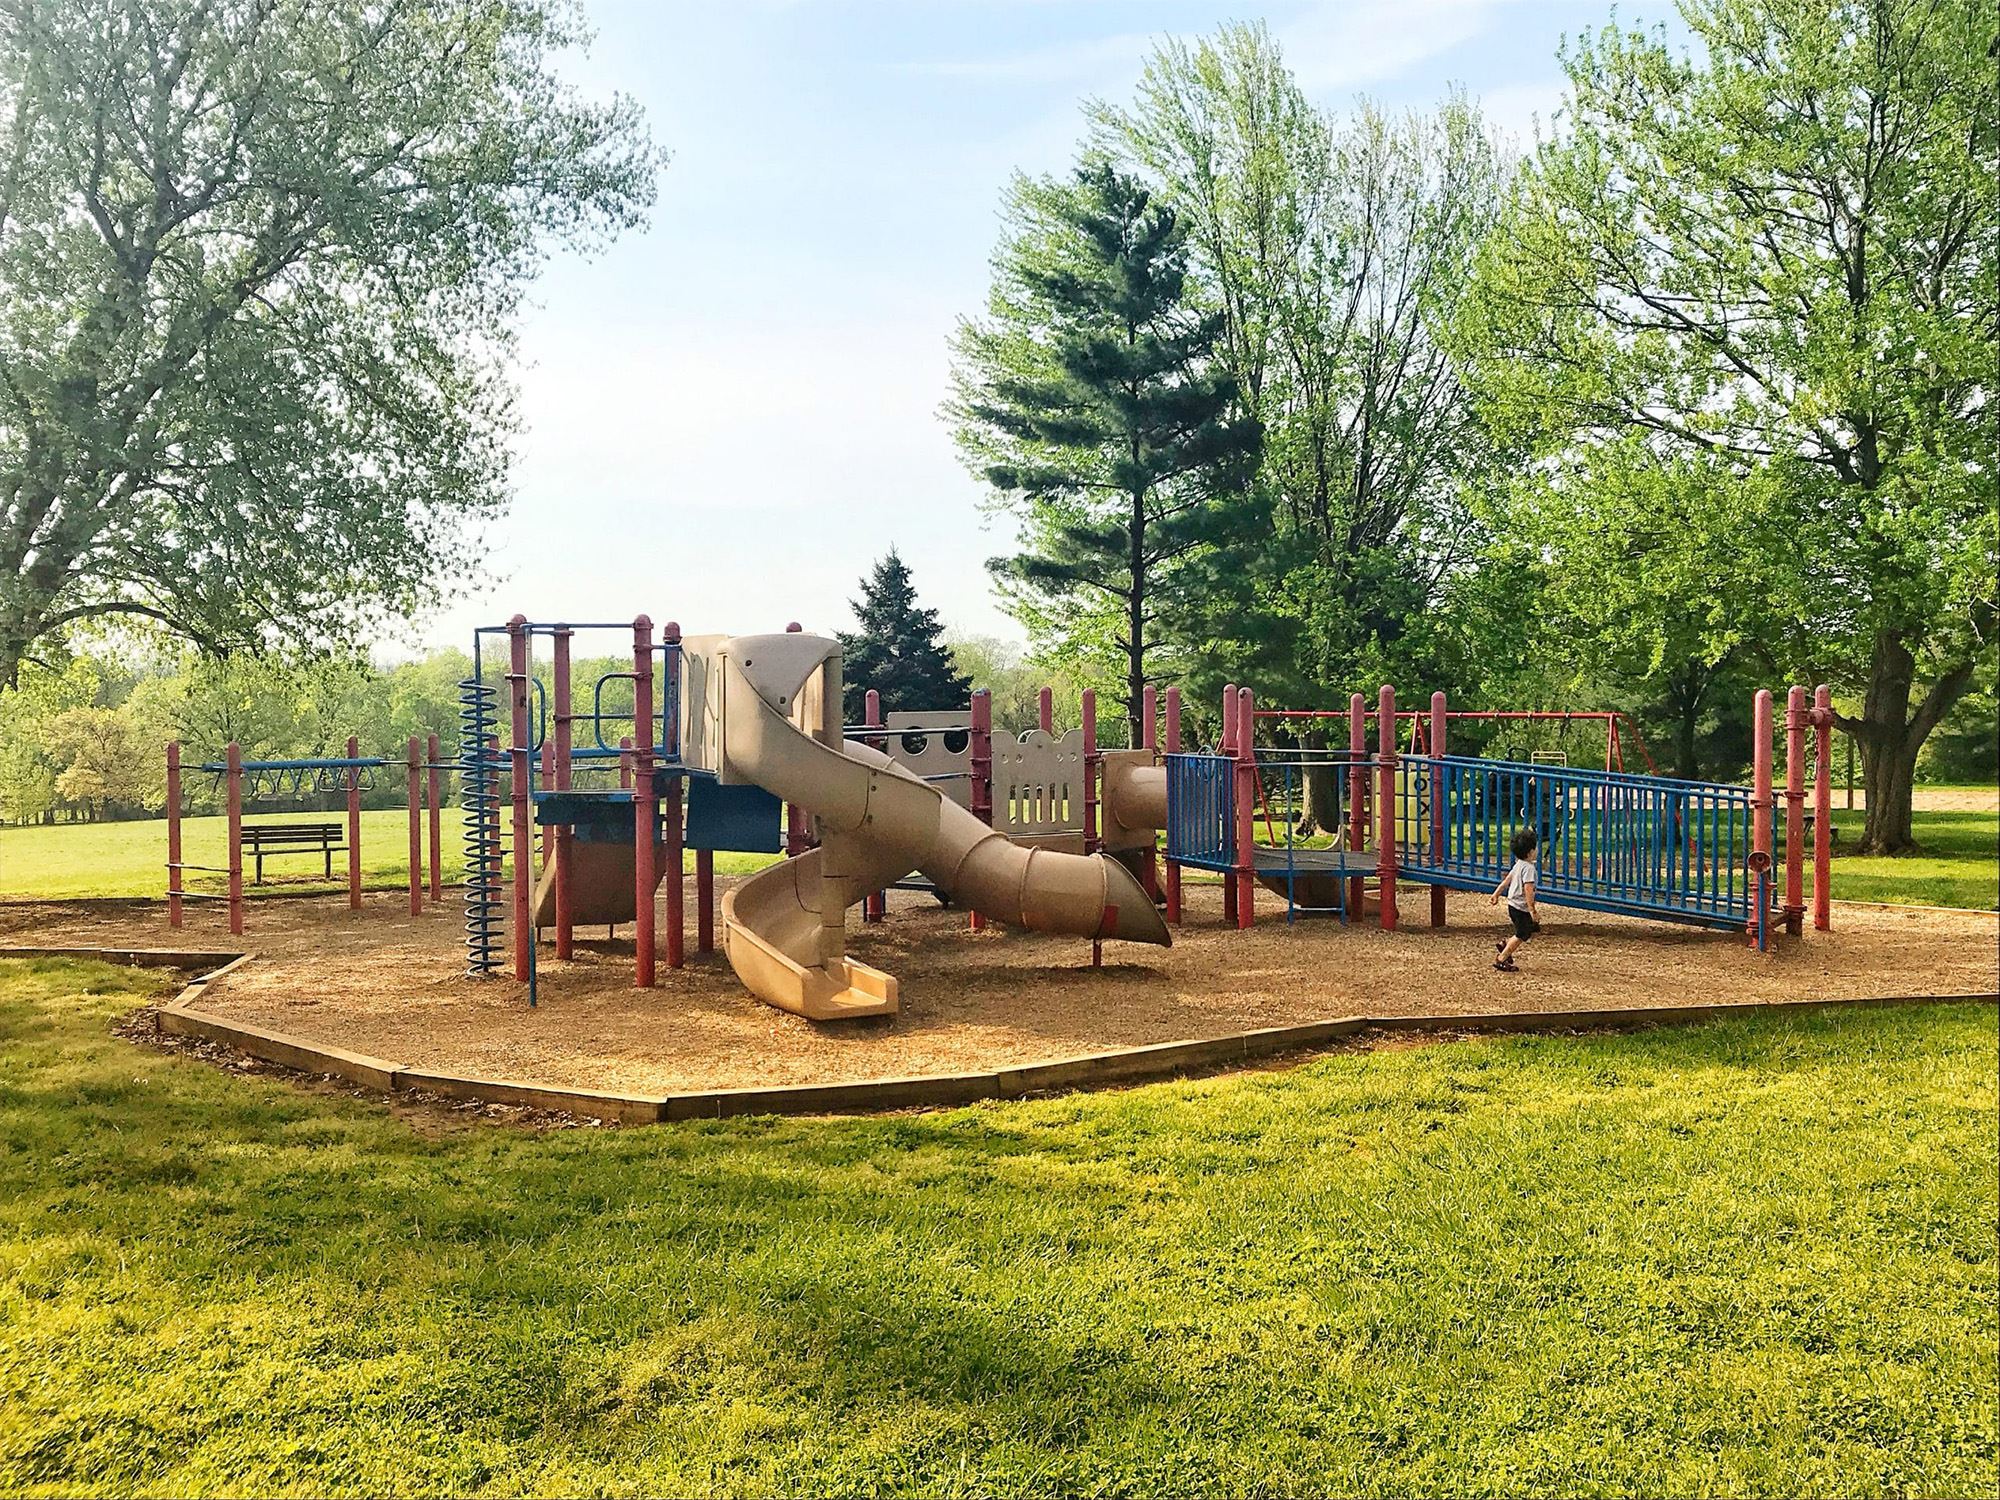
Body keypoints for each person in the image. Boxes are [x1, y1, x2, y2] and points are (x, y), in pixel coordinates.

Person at [1489, 827, 1540, 972]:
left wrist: (1496, 893)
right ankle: (1502, 958)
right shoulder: (1529, 869)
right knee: (1522, 934)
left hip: (1512, 905)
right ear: (1530, 852)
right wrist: (1532, 910)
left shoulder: (1518, 865)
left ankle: (1505, 944)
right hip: (1520, 906)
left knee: (1526, 930)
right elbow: (1528, 889)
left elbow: (1507, 881)